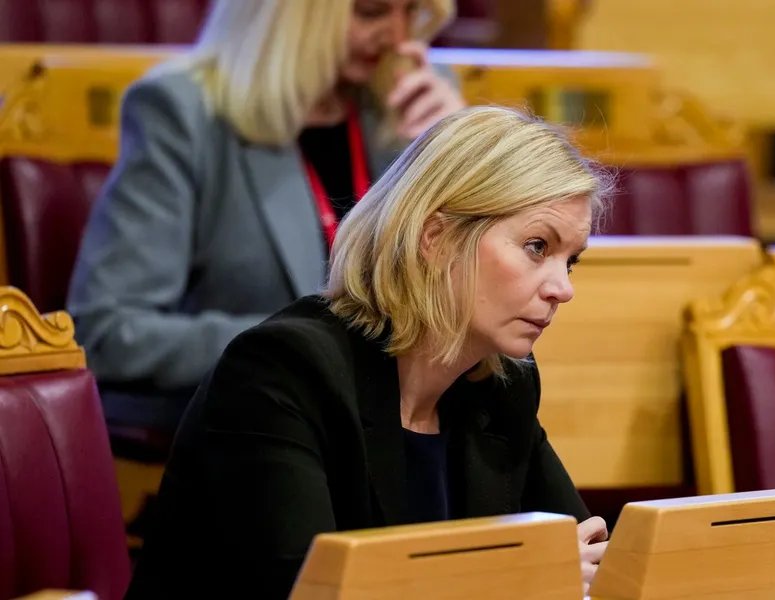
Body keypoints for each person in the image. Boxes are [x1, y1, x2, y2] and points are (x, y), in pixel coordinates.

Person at [122, 105, 615, 600]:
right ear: (436, 238)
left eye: (570, 261)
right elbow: (308, 594)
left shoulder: (501, 384)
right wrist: (515, 580)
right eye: (537, 246)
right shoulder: (281, 371)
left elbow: (591, 563)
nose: (562, 288)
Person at [67, 0, 466, 430]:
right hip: (252, 425)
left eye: (411, 10)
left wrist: (457, 161)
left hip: (403, 421)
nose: (398, 36)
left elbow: (456, 295)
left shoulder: (414, 99)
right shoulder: (183, 112)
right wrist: (313, 341)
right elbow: (107, 332)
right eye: (371, 12)